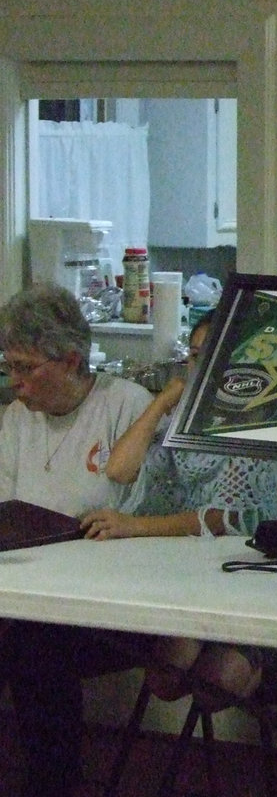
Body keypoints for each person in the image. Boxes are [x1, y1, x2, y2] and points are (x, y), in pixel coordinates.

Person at [79, 314, 277, 708]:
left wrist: (133, 526)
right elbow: (120, 469)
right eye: (194, 356)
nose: (201, 368)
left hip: (241, 578)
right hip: (181, 574)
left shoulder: (256, 423)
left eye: (215, 357)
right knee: (164, 679)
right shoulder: (182, 419)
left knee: (214, 685)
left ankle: (272, 654)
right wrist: (162, 402)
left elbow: (222, 518)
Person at [0, 283, 154, 797]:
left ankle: (54, 785)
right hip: (31, 592)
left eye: (25, 367)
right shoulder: (18, 418)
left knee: (32, 648)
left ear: (70, 360)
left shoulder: (125, 405)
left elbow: (143, 515)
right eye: (9, 366)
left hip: (108, 597)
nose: (15, 382)